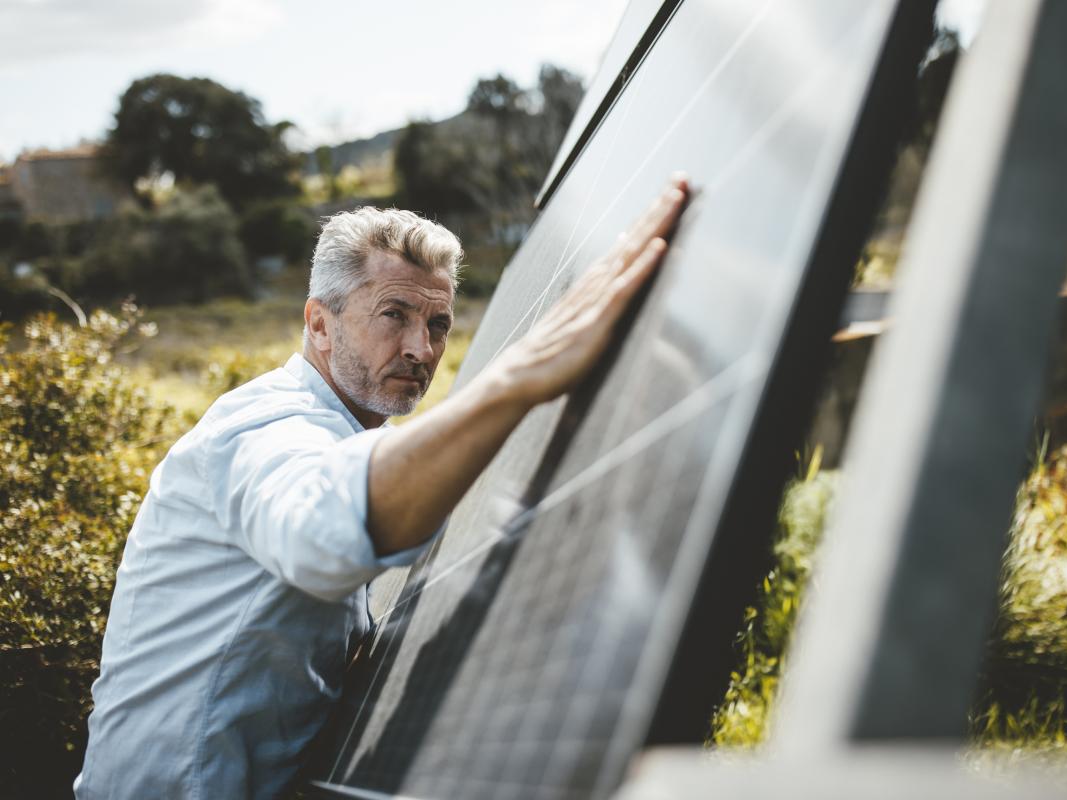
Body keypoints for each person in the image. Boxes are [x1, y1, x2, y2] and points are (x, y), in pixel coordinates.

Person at [73, 175, 689, 799]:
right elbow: (320, 530)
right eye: (394, 314)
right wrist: (518, 380)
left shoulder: (346, 430)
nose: (421, 348)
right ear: (319, 324)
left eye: (439, 323)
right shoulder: (260, 429)